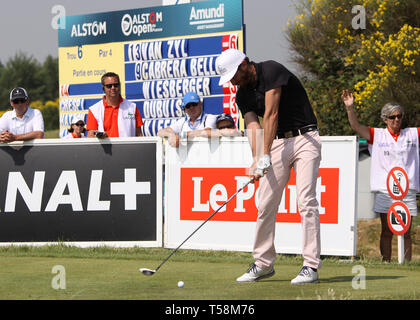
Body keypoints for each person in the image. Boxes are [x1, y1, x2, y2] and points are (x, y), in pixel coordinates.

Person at [216, 48, 322, 284]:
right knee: (264, 203)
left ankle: (311, 266)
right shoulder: (242, 94)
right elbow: (253, 126)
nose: (233, 81)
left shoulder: (271, 70)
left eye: (234, 74)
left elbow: (271, 114)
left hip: (305, 138)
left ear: (244, 64)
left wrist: (265, 154)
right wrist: (257, 160)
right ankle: (263, 263)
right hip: (276, 143)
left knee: (306, 201)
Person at [341, 89, 419, 262]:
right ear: (385, 119)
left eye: (399, 116)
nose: (396, 119)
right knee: (386, 230)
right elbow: (355, 127)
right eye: (392, 117)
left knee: (406, 230)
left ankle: (405, 264)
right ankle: (386, 262)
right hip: (385, 190)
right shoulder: (377, 135)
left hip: (408, 189)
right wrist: (350, 108)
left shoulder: (412, 134)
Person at [86, 72, 143, 138]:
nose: (113, 88)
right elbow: (91, 135)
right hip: (104, 148)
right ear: (103, 88)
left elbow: (139, 134)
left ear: (119, 85)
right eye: (109, 86)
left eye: (116, 85)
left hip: (127, 148)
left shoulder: (132, 107)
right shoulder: (94, 110)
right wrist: (99, 136)